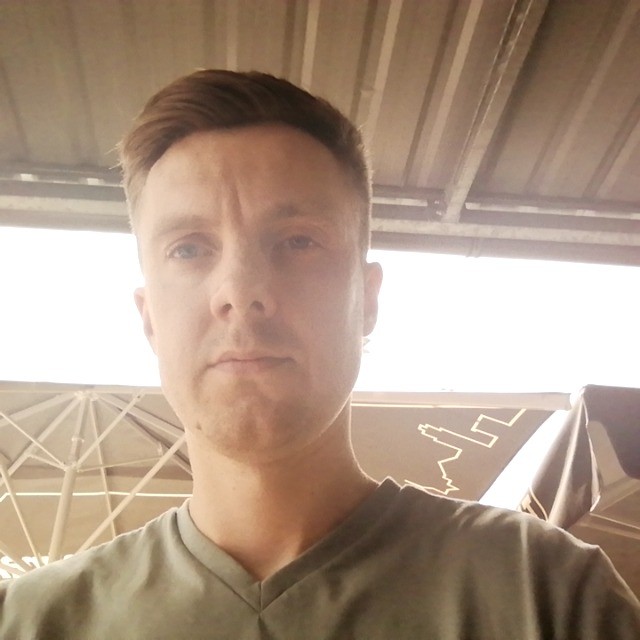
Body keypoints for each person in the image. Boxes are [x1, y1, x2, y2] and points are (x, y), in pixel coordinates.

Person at [1, 69, 639, 639]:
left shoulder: (548, 592)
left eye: (298, 241)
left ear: (367, 301)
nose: (241, 291)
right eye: (189, 249)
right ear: (149, 319)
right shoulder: (32, 621)